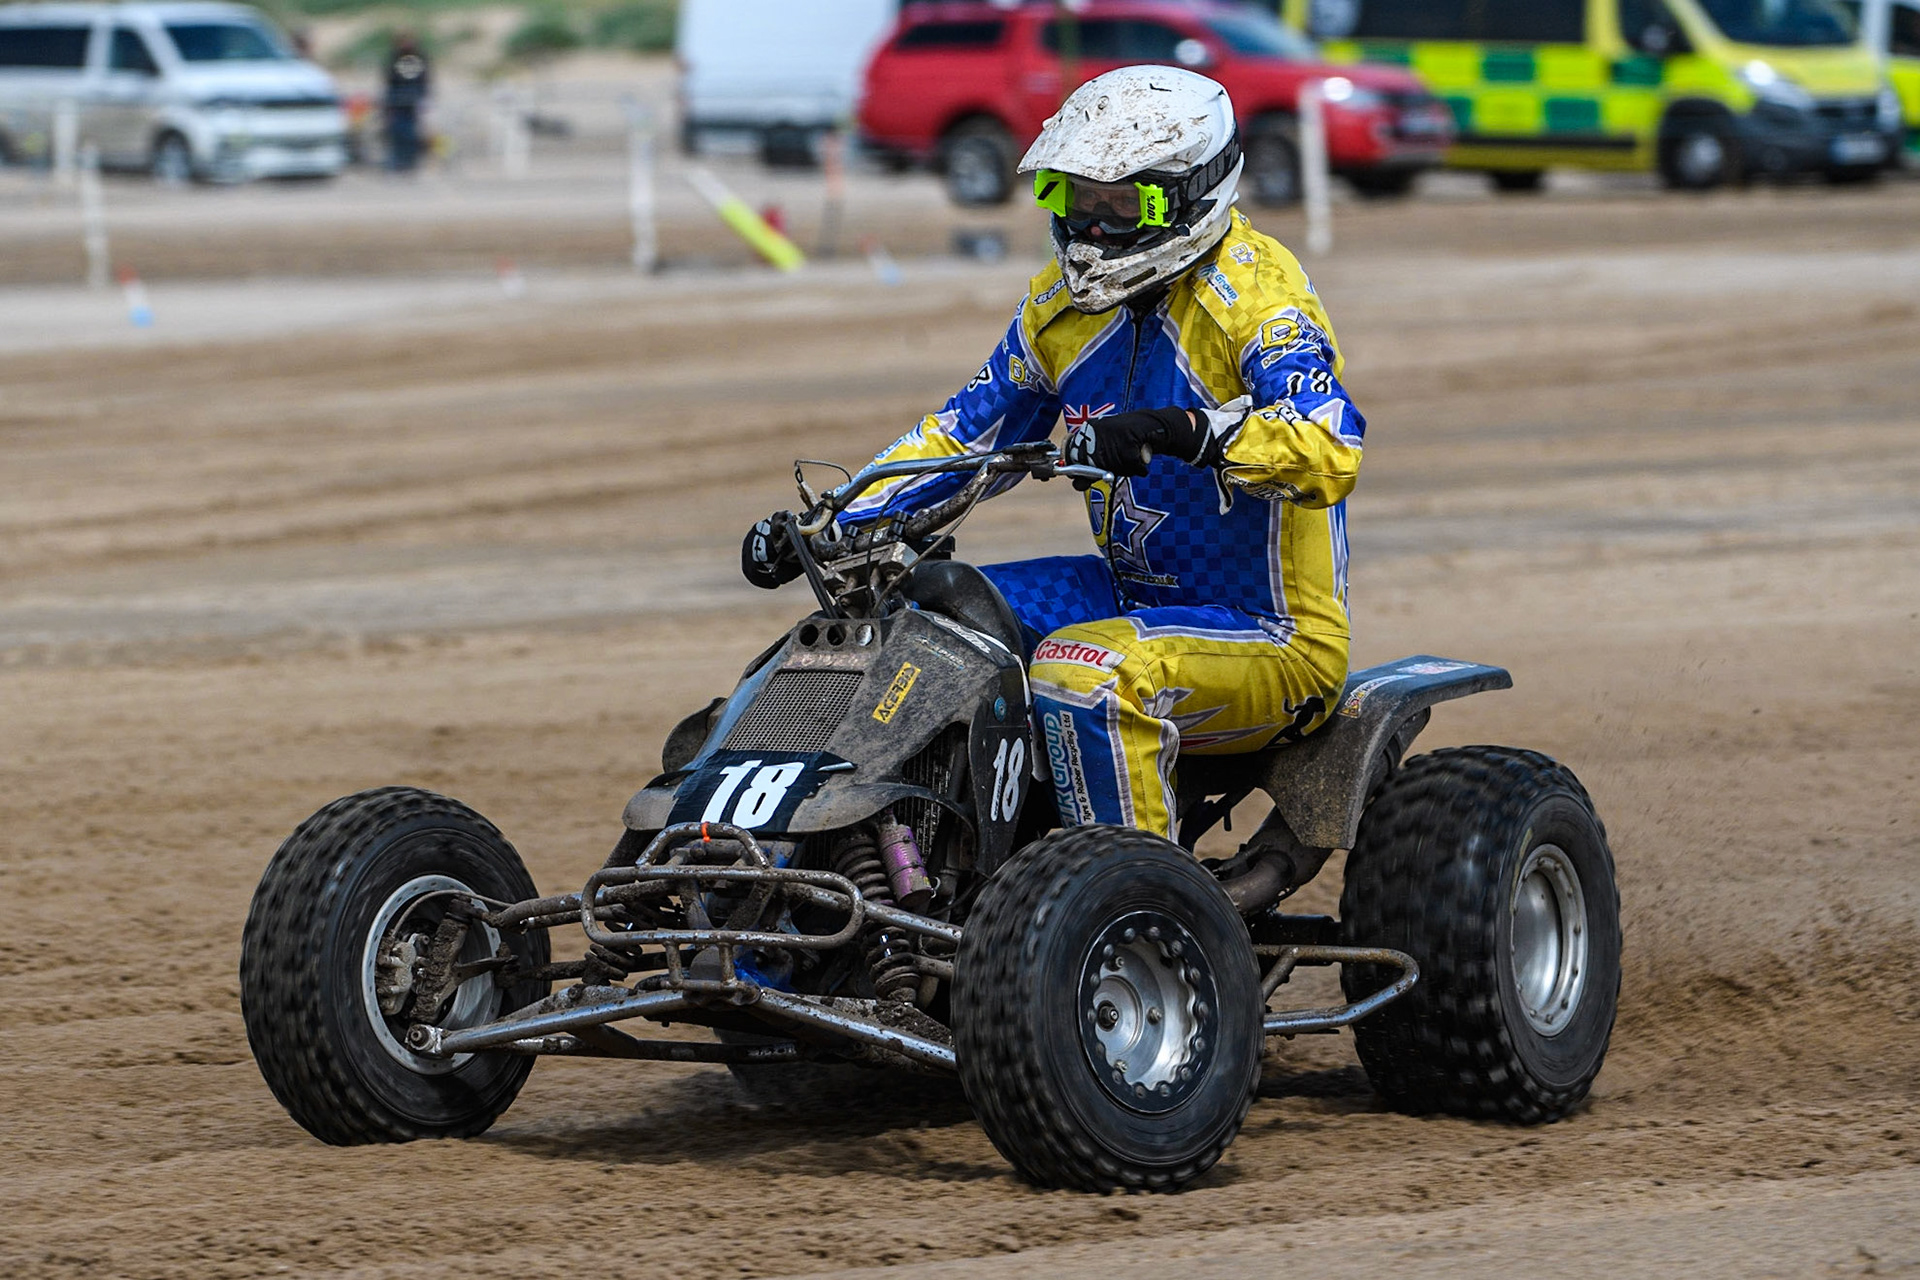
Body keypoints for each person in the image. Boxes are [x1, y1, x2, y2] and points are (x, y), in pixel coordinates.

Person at [741, 67, 1364, 842]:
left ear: (1193, 196)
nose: (1094, 231)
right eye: (1076, 201)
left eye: (1121, 206)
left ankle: (1139, 910)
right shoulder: (1057, 310)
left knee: (1082, 674)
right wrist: (834, 522)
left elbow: (1330, 445)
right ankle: (895, 877)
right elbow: (964, 435)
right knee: (918, 619)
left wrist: (1184, 431)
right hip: (1128, 597)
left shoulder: (1259, 300)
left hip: (1270, 634)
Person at [382, 32, 431, 172]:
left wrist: (424, 97)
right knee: (398, 131)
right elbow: (389, 80)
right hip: (397, 101)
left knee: (412, 132)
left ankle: (410, 161)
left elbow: (425, 79)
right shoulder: (394, 58)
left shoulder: (419, 58)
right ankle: (399, 160)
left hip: (412, 101)